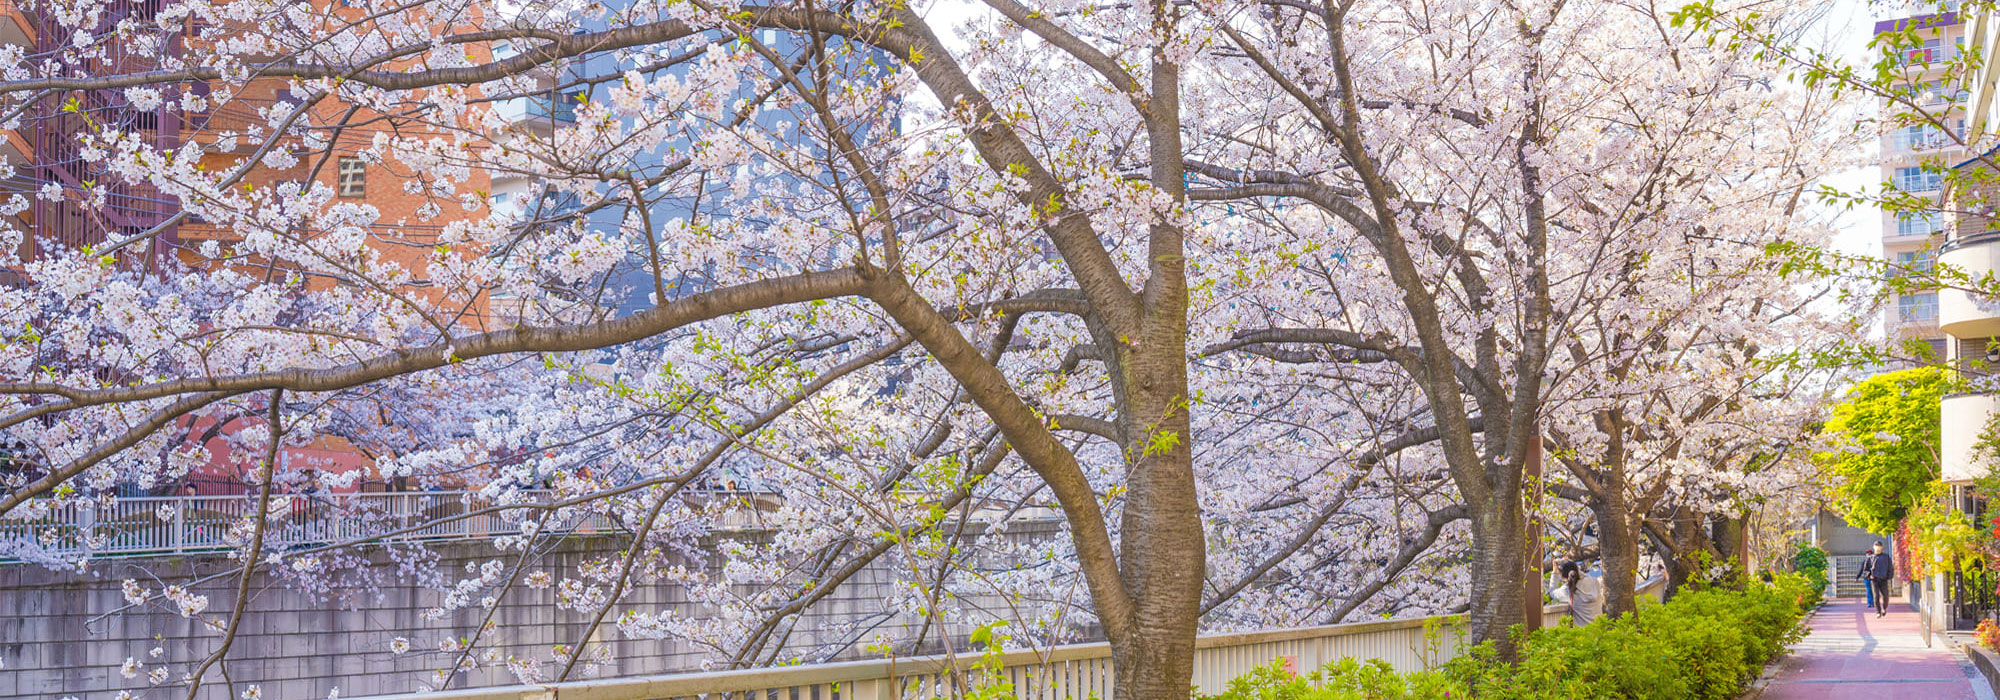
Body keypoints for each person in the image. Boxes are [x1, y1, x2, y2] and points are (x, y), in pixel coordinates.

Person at [1549, 560, 1604, 626]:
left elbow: (1552, 591)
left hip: (1581, 633)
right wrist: (1571, 565)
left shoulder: (1567, 590)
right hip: (1599, 630)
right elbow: (1583, 575)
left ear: (1562, 577)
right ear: (1578, 569)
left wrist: (1555, 573)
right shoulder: (1593, 581)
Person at [1858, 540, 1896, 617]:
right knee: (1876, 596)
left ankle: (1884, 608)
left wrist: (1888, 576)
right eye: (1876, 545)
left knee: (1885, 596)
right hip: (1874, 580)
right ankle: (1878, 611)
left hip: (1883, 580)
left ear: (1882, 547)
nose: (1877, 547)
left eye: (1879, 545)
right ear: (1873, 547)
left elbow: (1890, 568)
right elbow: (1865, 570)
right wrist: (1869, 576)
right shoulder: (1870, 558)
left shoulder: (1886, 557)